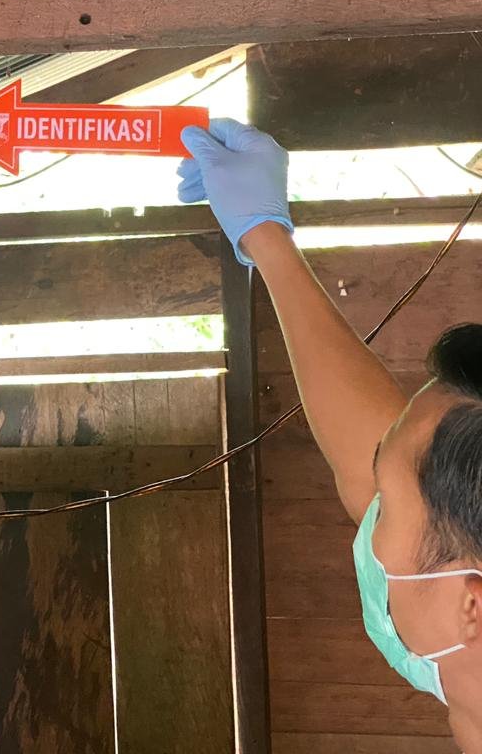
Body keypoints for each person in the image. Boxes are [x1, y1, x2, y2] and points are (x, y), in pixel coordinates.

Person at [179, 119, 482, 748]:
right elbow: (377, 455)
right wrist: (265, 237)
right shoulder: (458, 633)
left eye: (388, 505)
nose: (371, 516)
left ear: (471, 607)